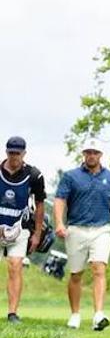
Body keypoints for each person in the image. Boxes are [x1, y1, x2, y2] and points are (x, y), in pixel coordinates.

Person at [54, 140, 110, 330]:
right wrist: (60, 223)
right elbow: (60, 200)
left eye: (95, 152)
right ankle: (75, 314)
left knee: (99, 269)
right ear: (84, 154)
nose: (91, 156)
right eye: (88, 152)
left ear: (101, 155)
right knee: (76, 274)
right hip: (76, 228)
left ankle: (98, 314)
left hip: (101, 229)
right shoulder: (71, 177)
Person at [1, 136, 46, 323]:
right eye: (11, 153)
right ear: (6, 152)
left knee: (15, 266)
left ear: (24, 153)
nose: (14, 157)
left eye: (17, 153)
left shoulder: (34, 175)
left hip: (20, 228)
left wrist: (37, 234)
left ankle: (12, 313)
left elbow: (40, 204)